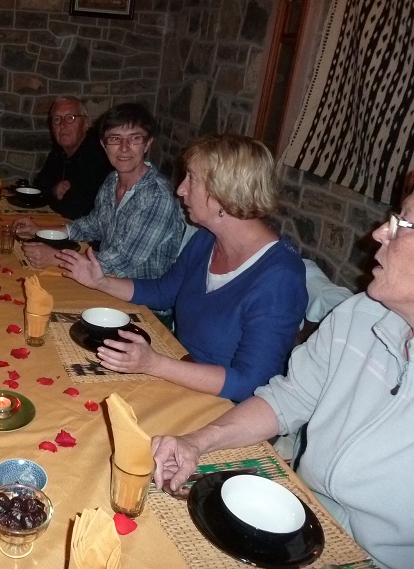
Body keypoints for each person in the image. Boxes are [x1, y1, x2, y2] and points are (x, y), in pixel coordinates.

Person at [150, 197, 414, 569]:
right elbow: (286, 399)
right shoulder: (360, 315)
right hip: (304, 516)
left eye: (404, 224)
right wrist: (196, 442)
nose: (380, 232)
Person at [58, 134, 306, 402]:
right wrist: (101, 282)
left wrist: (155, 364)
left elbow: (251, 384)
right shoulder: (207, 239)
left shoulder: (280, 278)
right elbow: (165, 291)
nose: (180, 190)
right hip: (179, 370)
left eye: (192, 179)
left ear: (223, 192)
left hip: (222, 406)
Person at [14, 103, 184, 283]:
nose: (124, 147)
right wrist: (41, 231)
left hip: (140, 294)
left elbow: (123, 261)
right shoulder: (112, 180)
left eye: (134, 138)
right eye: (115, 138)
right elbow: (93, 225)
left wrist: (56, 257)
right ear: (103, 144)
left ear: (147, 143)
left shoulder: (157, 195)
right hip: (106, 280)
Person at [32, 96, 113, 219]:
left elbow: (75, 209)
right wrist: (54, 190)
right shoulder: (60, 150)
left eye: (70, 118)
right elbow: (39, 184)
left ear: (86, 124)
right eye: (56, 119)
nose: (62, 125)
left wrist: (50, 196)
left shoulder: (99, 154)